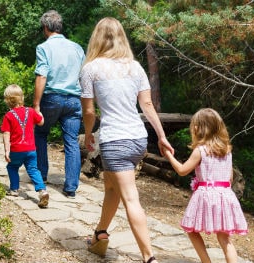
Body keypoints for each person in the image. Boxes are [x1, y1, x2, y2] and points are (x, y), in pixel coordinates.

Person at [80, 17, 174, 263]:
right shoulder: (135, 67)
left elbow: (89, 112)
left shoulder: (91, 68)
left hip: (115, 141)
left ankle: (149, 257)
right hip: (137, 139)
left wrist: (89, 133)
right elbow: (147, 105)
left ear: (97, 38)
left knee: (130, 198)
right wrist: (161, 136)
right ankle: (100, 234)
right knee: (111, 188)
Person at [163, 108, 248, 263]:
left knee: (192, 230)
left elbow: (182, 170)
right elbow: (229, 179)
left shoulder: (200, 150)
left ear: (198, 128)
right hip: (226, 195)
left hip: (207, 195)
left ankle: (206, 261)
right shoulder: (227, 150)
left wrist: (168, 155)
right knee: (225, 238)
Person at [33, 10, 85, 198]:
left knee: (40, 132)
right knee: (71, 141)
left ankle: (41, 175)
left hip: (52, 98)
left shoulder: (44, 48)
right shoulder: (77, 48)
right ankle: (71, 188)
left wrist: (36, 105)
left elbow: (42, 75)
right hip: (73, 100)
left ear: (46, 27)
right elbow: (83, 76)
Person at [1, 84, 50, 208]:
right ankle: (42, 191)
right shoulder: (31, 111)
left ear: (7, 100)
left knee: (12, 167)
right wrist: (41, 114)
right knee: (33, 170)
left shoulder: (9, 115)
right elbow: (41, 122)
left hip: (16, 150)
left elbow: (6, 134)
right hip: (31, 150)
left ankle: (14, 190)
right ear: (21, 98)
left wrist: (7, 150)